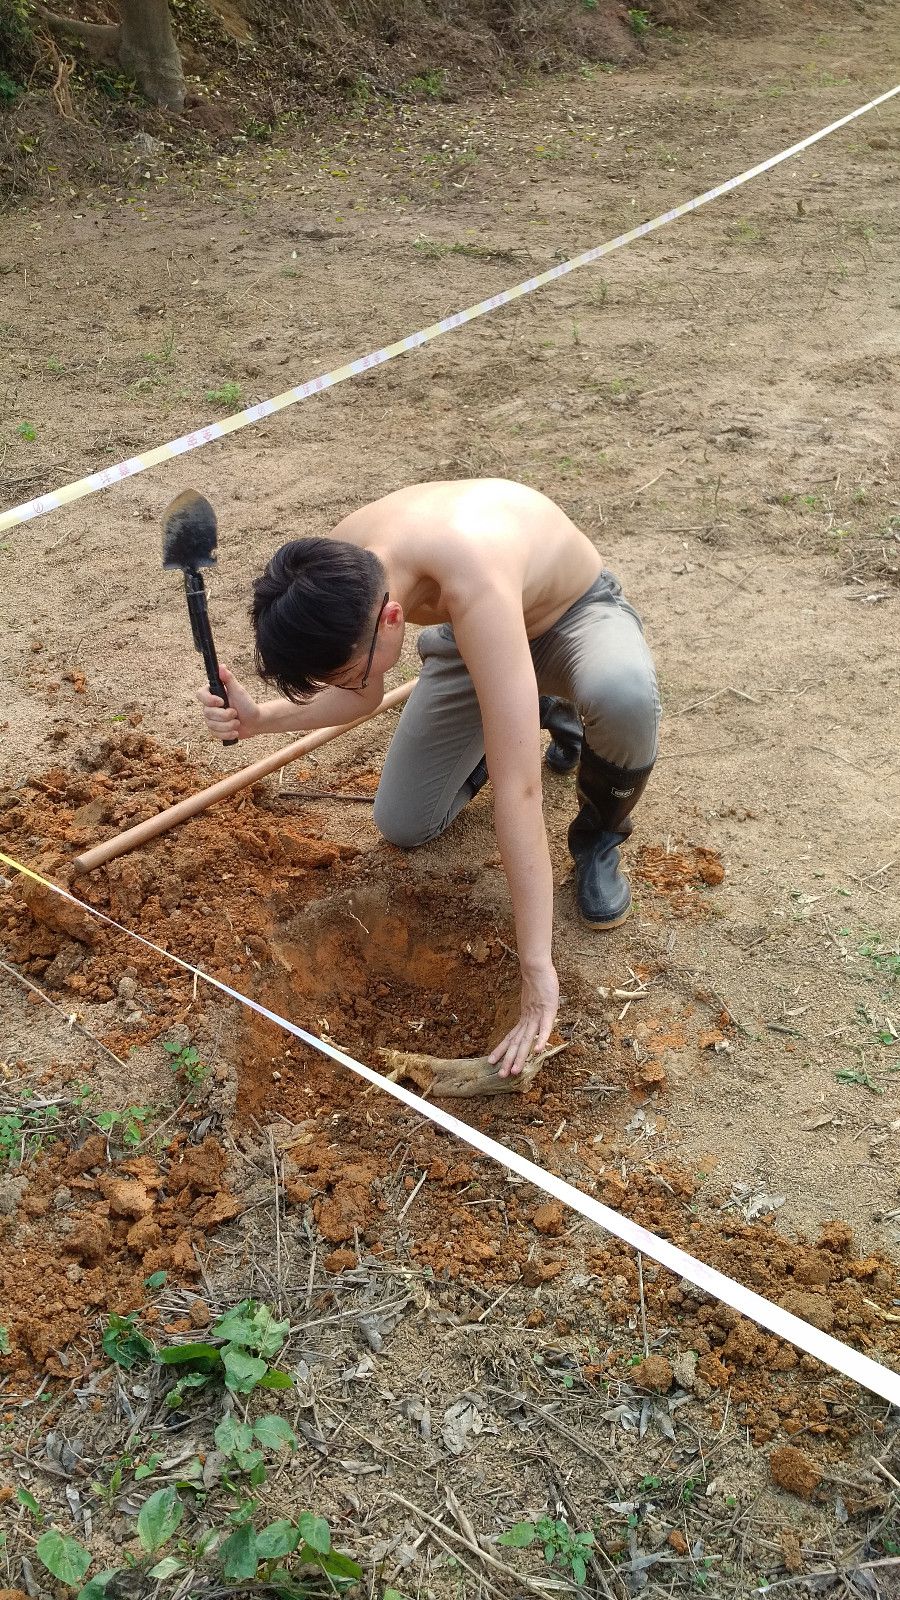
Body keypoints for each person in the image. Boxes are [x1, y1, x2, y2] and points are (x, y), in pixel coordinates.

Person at [197, 478, 660, 1079]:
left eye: (346, 670)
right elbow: (361, 692)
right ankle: (522, 710)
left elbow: (519, 790)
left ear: (392, 618)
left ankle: (598, 834)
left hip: (570, 616)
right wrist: (261, 720)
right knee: (405, 821)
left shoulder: (470, 577)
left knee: (621, 695)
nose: (346, 683)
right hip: (473, 640)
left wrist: (536, 967)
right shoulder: (338, 574)